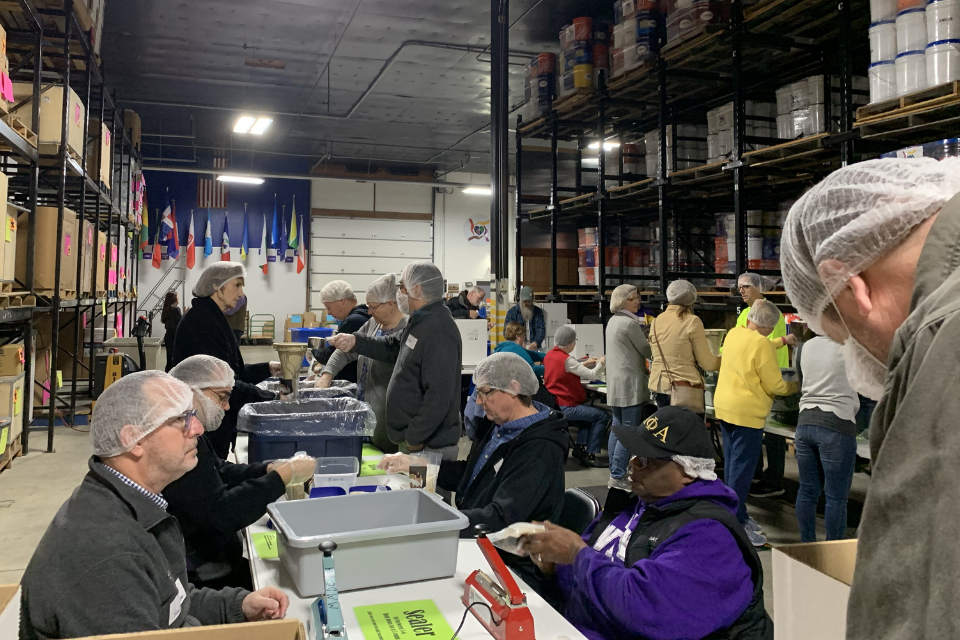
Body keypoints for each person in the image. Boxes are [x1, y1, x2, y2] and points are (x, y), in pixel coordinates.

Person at [779, 157, 960, 639]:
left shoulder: (947, 340)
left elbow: (927, 606)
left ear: (853, 286)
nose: (864, 362)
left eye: (849, 342)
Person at [19, 372, 290, 640]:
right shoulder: (109, 554)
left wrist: (237, 606)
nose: (196, 428)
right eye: (181, 419)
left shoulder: (136, 505)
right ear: (133, 440)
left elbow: (169, 602)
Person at [517, 406, 773, 640]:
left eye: (648, 459)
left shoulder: (709, 537)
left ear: (687, 472)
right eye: (634, 453)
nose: (633, 463)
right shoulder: (638, 505)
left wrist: (575, 555)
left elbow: (646, 609)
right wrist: (555, 567)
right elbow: (589, 570)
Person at [379, 352, 568, 589]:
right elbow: (470, 476)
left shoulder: (540, 449)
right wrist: (414, 464)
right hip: (475, 537)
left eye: (485, 392)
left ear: (513, 389)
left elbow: (502, 519)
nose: (478, 401)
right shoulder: (498, 425)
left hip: (508, 564)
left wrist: (438, 525)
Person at [164, 355, 317, 589]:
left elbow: (219, 469)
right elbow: (221, 513)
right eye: (221, 397)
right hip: (202, 572)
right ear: (188, 391)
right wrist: (280, 478)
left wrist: (265, 469)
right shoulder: (174, 444)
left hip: (219, 554)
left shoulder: (189, 429)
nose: (226, 406)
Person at [328, 261, 462, 459]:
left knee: (424, 491)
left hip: (428, 446)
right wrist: (355, 342)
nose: (398, 293)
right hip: (415, 442)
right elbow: (392, 346)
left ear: (416, 290)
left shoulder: (439, 329)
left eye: (402, 287)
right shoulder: (420, 320)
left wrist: (413, 439)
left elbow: (439, 395)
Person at [714, 299, 798, 546]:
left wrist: (781, 343)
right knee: (743, 472)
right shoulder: (762, 344)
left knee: (732, 467)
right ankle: (736, 523)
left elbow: (753, 349)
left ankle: (732, 513)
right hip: (747, 415)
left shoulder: (734, 334)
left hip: (725, 408)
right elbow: (776, 385)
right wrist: (799, 384)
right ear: (771, 325)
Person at [172, 263, 277, 458]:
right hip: (203, 426)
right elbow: (221, 384)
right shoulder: (202, 323)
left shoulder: (214, 318)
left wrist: (269, 369)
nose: (241, 293)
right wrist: (271, 399)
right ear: (216, 286)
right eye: (236, 285)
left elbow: (232, 372)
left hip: (214, 423)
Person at [317, 273, 408, 453]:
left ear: (391, 304)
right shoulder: (373, 324)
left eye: (373, 307)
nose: (369, 312)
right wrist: (326, 376)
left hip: (389, 419)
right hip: (366, 412)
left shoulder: (407, 329)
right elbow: (347, 350)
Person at [792, 334, 859, 543]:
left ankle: (807, 546)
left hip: (805, 423)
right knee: (836, 497)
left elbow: (800, 381)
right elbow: (866, 385)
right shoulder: (850, 348)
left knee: (807, 491)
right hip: (837, 424)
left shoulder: (804, 347)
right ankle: (833, 552)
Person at [735, 273, 795, 499]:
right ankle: (758, 474)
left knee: (774, 434)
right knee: (757, 431)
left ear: (759, 288)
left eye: (746, 286)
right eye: (739, 287)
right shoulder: (744, 315)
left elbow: (764, 344)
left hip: (773, 378)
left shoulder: (772, 314)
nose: (741, 290)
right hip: (753, 381)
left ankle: (774, 479)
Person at [604, 284, 653, 493]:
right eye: (634, 298)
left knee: (617, 428)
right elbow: (645, 350)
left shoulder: (613, 322)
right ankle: (618, 475)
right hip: (629, 385)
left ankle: (614, 473)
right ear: (623, 301)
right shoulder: (629, 324)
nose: (638, 301)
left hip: (616, 384)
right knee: (628, 430)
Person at [648, 280, 721, 410]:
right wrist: (726, 359)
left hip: (659, 387)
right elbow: (707, 363)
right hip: (684, 388)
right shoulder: (692, 321)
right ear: (692, 298)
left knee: (666, 429)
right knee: (687, 429)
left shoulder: (656, 321)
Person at [543, 325, 607, 468]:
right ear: (571, 343)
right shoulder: (568, 360)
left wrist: (583, 364)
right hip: (567, 406)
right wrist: (601, 363)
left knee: (587, 415)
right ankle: (591, 454)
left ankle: (580, 449)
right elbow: (592, 375)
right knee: (602, 416)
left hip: (554, 405)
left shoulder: (549, 355)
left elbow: (562, 369)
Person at [313, 280, 370, 383]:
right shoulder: (364, 316)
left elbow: (330, 356)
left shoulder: (353, 321)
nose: (329, 312)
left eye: (329, 307)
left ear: (342, 301)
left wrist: (313, 349)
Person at [161, 291, 182, 372]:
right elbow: (180, 322)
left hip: (168, 335)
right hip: (174, 336)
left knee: (169, 359)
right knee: (175, 358)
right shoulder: (176, 309)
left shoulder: (166, 309)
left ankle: (167, 374)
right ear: (175, 299)